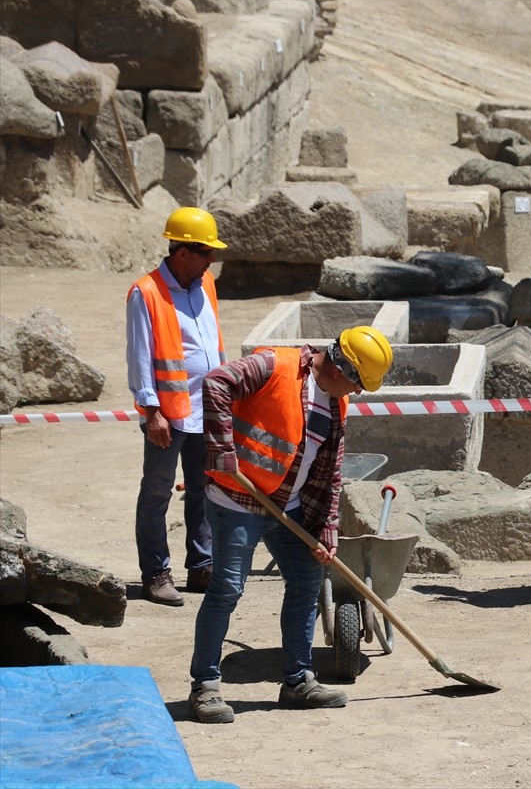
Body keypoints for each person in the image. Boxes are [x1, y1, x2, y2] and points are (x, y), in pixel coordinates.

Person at [187, 325, 393, 724]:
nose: (360, 392)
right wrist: (221, 447)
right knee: (227, 589)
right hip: (237, 500)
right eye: (359, 382)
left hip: (290, 506)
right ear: (341, 367)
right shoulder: (274, 365)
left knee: (308, 581)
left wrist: (328, 527)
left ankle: (298, 682)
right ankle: (205, 688)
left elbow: (330, 470)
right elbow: (215, 382)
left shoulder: (336, 402)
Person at [126, 207, 228, 606]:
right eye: (206, 251)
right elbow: (139, 356)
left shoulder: (206, 284)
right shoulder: (146, 292)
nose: (212, 259)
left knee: (205, 490)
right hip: (168, 415)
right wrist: (152, 412)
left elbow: (214, 347)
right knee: (157, 492)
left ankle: (202, 566)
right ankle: (155, 574)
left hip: (207, 409)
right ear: (182, 252)